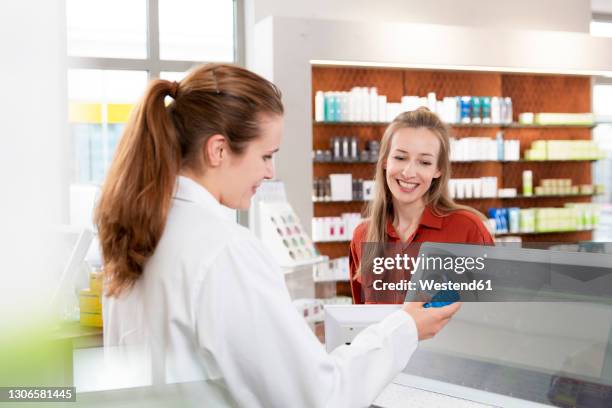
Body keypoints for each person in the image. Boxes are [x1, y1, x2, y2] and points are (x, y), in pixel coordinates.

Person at [96, 64, 461, 407]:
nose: (270, 172)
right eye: (266, 155)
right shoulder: (225, 251)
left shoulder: (142, 232)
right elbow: (319, 397)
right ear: (218, 150)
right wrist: (407, 326)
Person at [350, 108, 494, 304]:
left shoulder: (467, 229)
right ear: (385, 161)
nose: (409, 172)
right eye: (400, 158)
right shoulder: (362, 236)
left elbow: (492, 318)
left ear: (438, 170)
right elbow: (360, 323)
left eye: (424, 162)